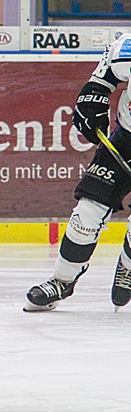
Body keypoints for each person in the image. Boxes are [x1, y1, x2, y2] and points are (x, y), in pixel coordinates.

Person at [25, 35, 131, 311]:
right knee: (86, 214)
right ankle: (62, 280)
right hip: (126, 140)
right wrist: (91, 101)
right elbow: (103, 78)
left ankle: (129, 264)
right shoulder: (128, 46)